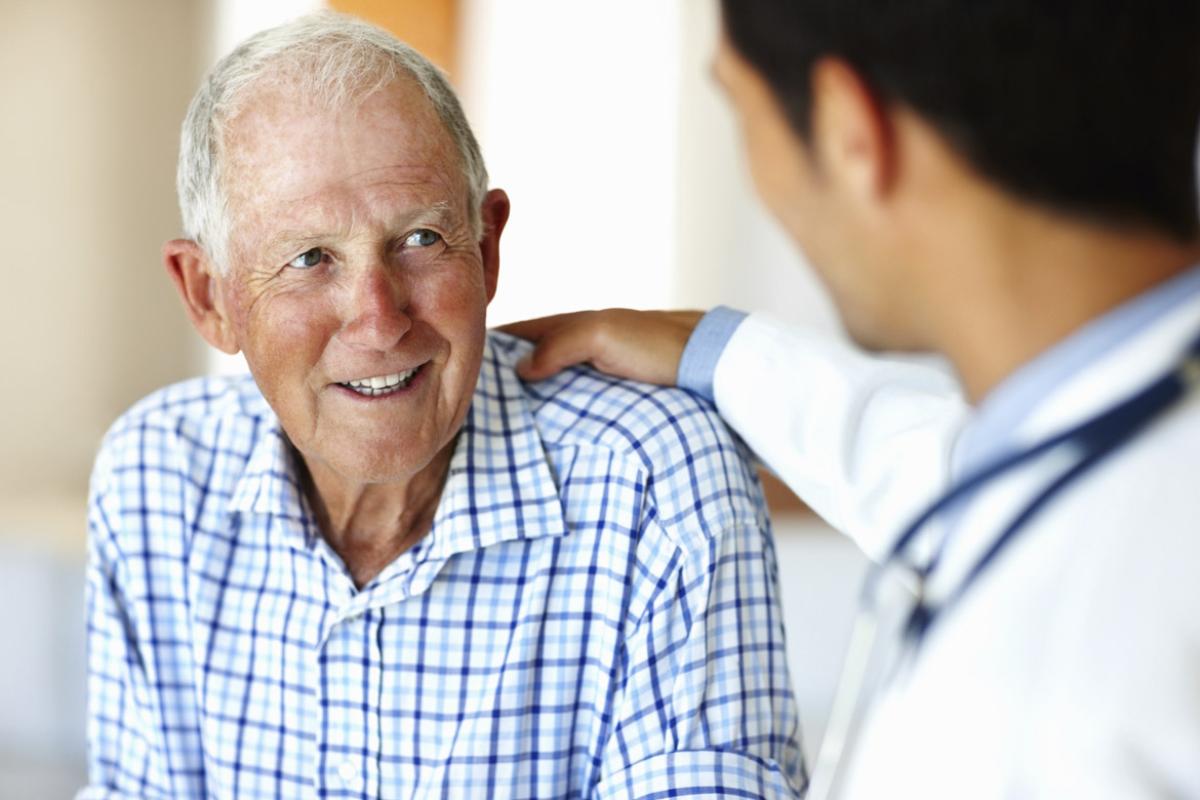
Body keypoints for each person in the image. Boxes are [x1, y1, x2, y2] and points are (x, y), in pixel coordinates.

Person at [81, 13, 805, 798]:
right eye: (310, 258)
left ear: (488, 248)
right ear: (209, 296)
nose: (380, 320)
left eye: (421, 239)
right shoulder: (153, 476)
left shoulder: (654, 479)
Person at [505, 0, 1200, 797]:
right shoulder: (1113, 446)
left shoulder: (1089, 668)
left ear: (848, 129)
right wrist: (724, 353)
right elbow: (968, 473)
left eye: (740, 108)